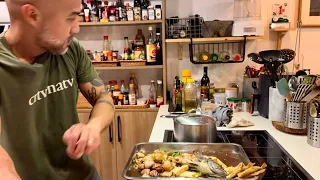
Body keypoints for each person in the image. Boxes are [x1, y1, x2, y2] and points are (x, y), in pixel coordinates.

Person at [0, 0, 115, 179]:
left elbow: (103, 97)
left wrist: (93, 127)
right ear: (32, 15)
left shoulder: (71, 49)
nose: (76, 28)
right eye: (70, 18)